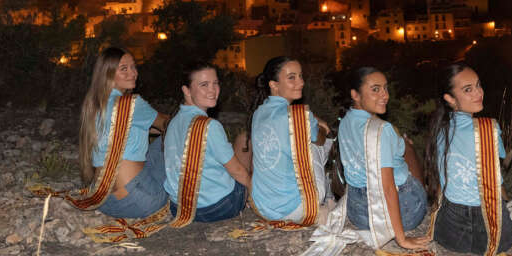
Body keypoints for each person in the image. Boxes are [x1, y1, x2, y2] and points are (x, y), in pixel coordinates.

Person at [423, 63, 512, 254]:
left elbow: (442, 181)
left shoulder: (440, 130)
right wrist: (509, 207)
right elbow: (495, 181)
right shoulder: (489, 129)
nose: (478, 93)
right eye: (468, 89)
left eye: (478, 85)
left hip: (451, 235)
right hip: (494, 237)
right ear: (450, 99)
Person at [338, 67, 428, 249]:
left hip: (358, 212)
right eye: (375, 89)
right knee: (407, 147)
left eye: (385, 88)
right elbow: (387, 187)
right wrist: (401, 239)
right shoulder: (382, 130)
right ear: (355, 95)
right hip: (404, 213)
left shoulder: (345, 121)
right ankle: (423, 193)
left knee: (398, 144)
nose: (385, 95)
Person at [77, 47, 170, 219]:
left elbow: (136, 128)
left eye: (133, 67)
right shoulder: (130, 104)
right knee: (181, 135)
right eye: (124, 69)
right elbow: (168, 124)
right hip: (140, 201)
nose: (133, 73)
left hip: (104, 202)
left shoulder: (94, 105)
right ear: (108, 74)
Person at [163, 62, 252, 223]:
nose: (212, 90)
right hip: (217, 208)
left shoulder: (173, 122)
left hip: (179, 208)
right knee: (245, 143)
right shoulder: (209, 126)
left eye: (215, 83)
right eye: (204, 85)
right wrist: (254, 191)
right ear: (186, 90)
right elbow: (238, 171)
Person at [249, 56, 332, 223]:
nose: (300, 82)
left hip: (262, 207)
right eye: (291, 77)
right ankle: (327, 198)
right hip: (296, 209)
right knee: (317, 144)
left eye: (300, 76)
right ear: (274, 85)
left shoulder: (258, 113)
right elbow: (321, 140)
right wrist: (322, 127)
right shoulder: (300, 116)